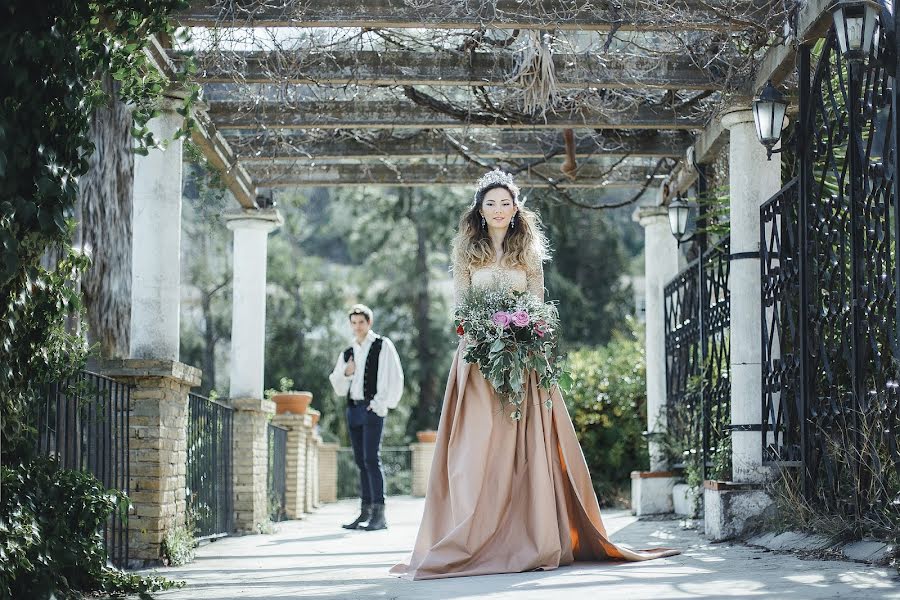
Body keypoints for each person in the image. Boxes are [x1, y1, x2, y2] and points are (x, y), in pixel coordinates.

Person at [390, 170, 679, 579]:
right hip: (477, 357)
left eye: (505, 203)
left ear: (515, 207)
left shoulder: (527, 249)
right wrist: (482, 330)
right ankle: (471, 528)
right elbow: (459, 303)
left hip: (524, 356)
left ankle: (530, 529)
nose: (498, 210)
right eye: (490, 203)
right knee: (474, 447)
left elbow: (537, 299)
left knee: (524, 442)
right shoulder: (466, 251)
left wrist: (527, 333)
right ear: (480, 208)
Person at [329, 303, 404, 531]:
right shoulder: (348, 352)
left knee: (372, 459)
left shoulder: (382, 345)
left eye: (361, 322)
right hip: (353, 409)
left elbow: (394, 376)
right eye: (354, 323)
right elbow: (338, 386)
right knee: (361, 462)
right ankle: (365, 511)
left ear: (369, 323)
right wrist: (346, 372)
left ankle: (379, 514)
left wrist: (381, 404)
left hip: (372, 409)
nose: (357, 326)